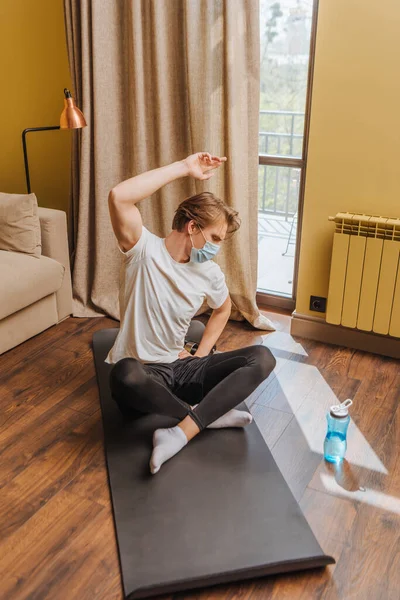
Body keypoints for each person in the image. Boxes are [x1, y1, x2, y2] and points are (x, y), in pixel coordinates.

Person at [106, 152, 276, 474]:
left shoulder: (208, 272)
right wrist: (185, 168)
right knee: (124, 374)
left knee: (263, 359)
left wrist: (201, 354)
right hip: (146, 376)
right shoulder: (143, 250)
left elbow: (223, 308)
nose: (215, 247)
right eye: (213, 238)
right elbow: (119, 196)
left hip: (181, 369)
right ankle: (204, 416)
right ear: (192, 226)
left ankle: (182, 430)